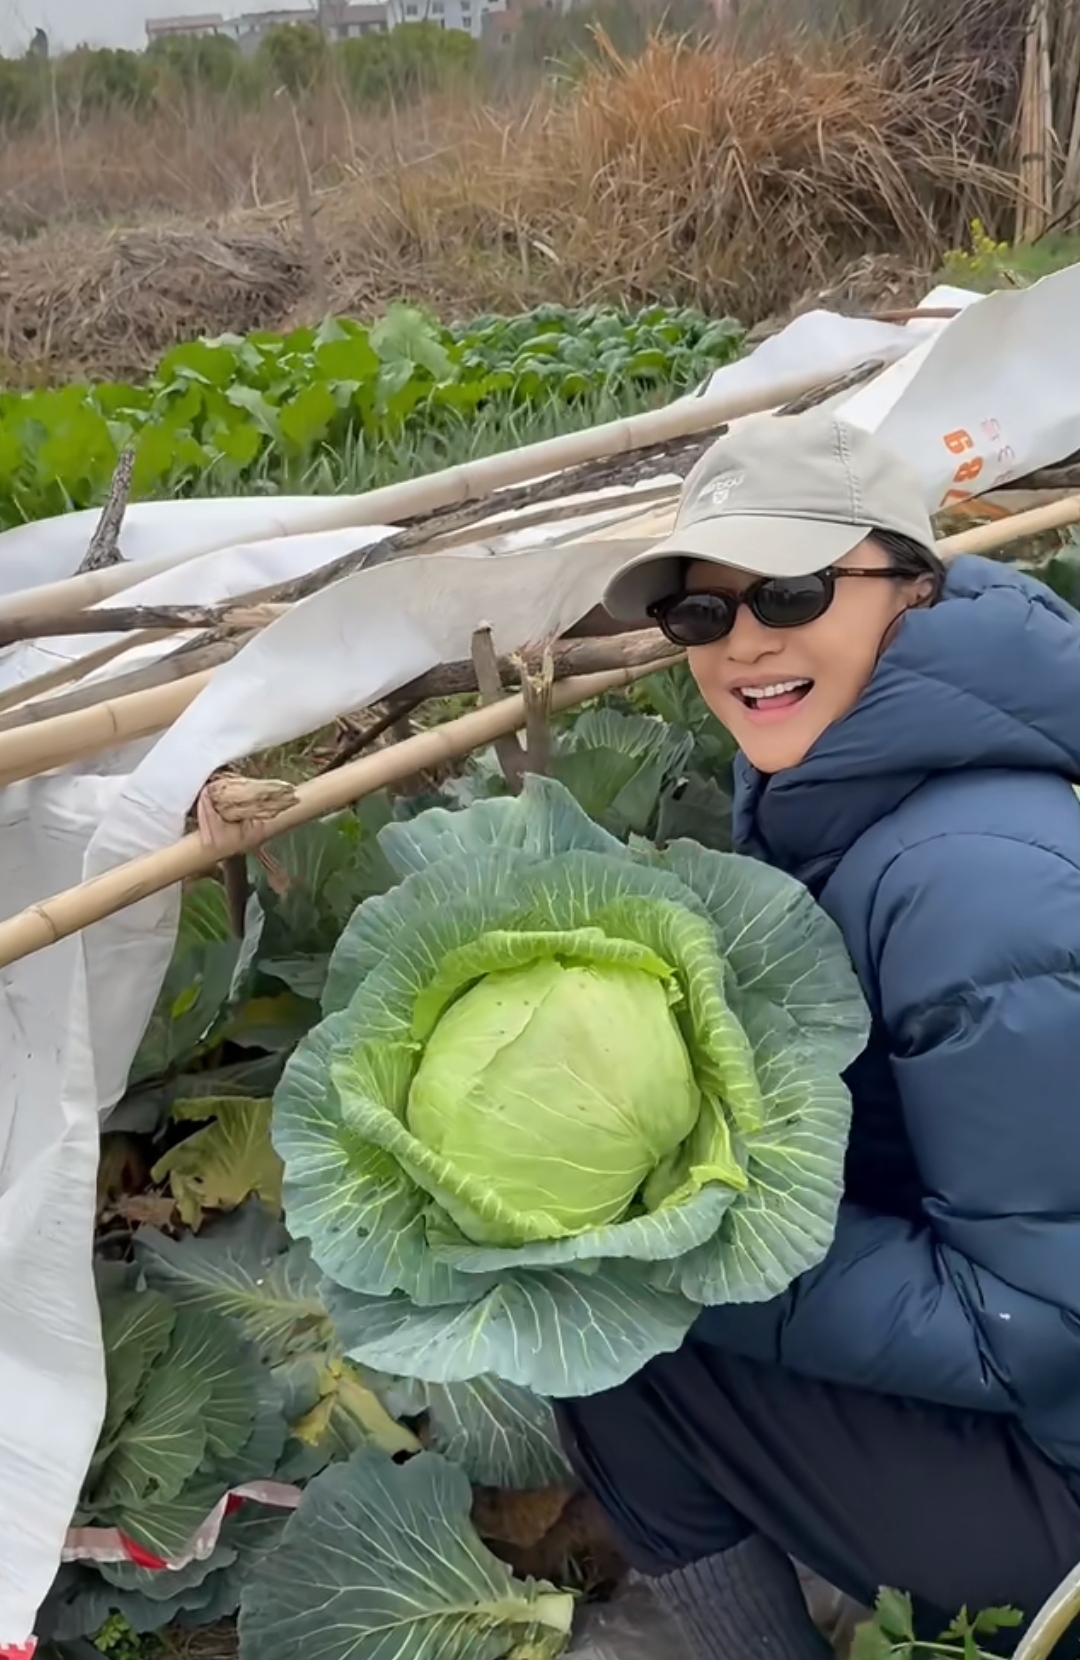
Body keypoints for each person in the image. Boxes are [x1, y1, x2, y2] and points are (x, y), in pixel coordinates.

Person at [556, 412, 1080, 1659]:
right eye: (699, 612)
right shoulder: (859, 796)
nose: (744, 641)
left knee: (617, 1340)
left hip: (1064, 1479)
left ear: (916, 584)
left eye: (792, 590)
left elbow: (1037, 1329)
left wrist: (683, 1247)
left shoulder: (968, 885)